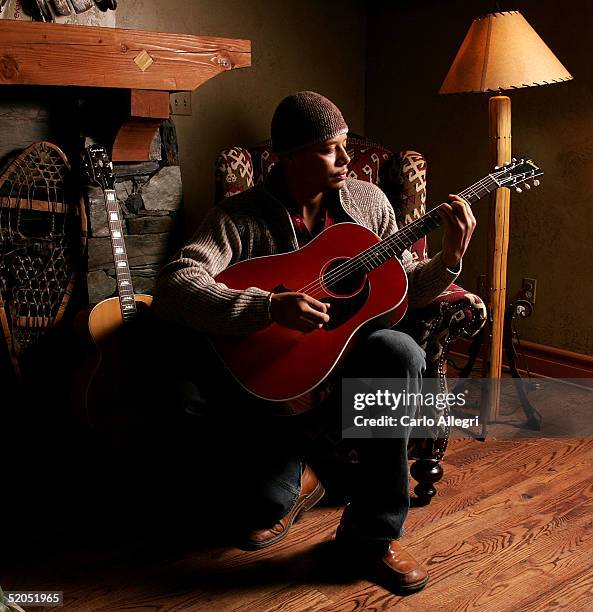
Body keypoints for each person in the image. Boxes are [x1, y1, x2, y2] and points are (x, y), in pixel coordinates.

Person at [152, 91, 475, 594]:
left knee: (400, 351)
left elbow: (405, 284)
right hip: (275, 388)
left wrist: (449, 259)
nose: (348, 159)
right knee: (249, 512)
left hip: (350, 368)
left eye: (347, 146)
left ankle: (372, 535)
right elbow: (175, 287)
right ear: (287, 156)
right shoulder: (239, 217)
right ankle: (305, 476)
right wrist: (265, 307)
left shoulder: (370, 201)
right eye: (330, 149)